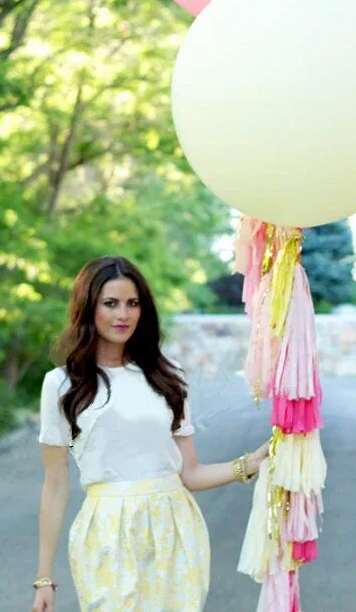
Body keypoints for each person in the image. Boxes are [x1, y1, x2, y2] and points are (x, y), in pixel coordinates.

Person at [32, 255, 269, 612]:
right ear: (88, 308)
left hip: (174, 527)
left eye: (132, 304)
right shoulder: (62, 384)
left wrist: (249, 464)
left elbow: (189, 473)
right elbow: (54, 485)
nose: (122, 315)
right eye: (110, 304)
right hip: (106, 531)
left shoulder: (168, 378)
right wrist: (44, 579)